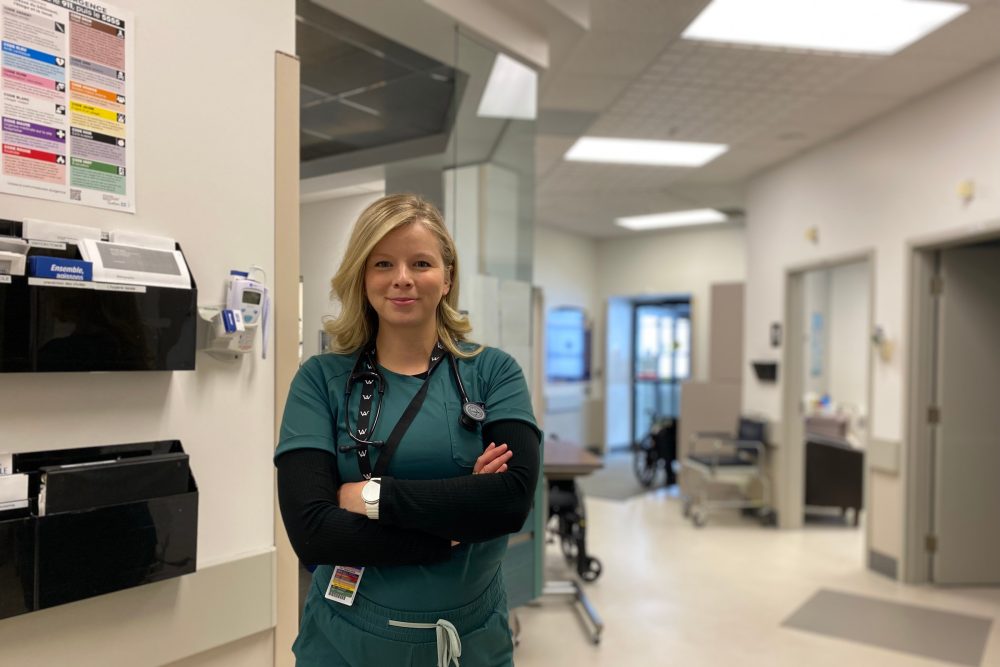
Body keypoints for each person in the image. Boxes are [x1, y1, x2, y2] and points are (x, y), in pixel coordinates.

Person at [275, 193, 541, 667]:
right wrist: (450, 530)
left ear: (447, 277)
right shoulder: (320, 379)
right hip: (344, 641)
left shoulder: (493, 372)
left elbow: (512, 500)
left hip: (470, 640)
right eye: (383, 263)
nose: (402, 278)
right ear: (363, 276)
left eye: (421, 263)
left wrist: (368, 497)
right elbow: (313, 532)